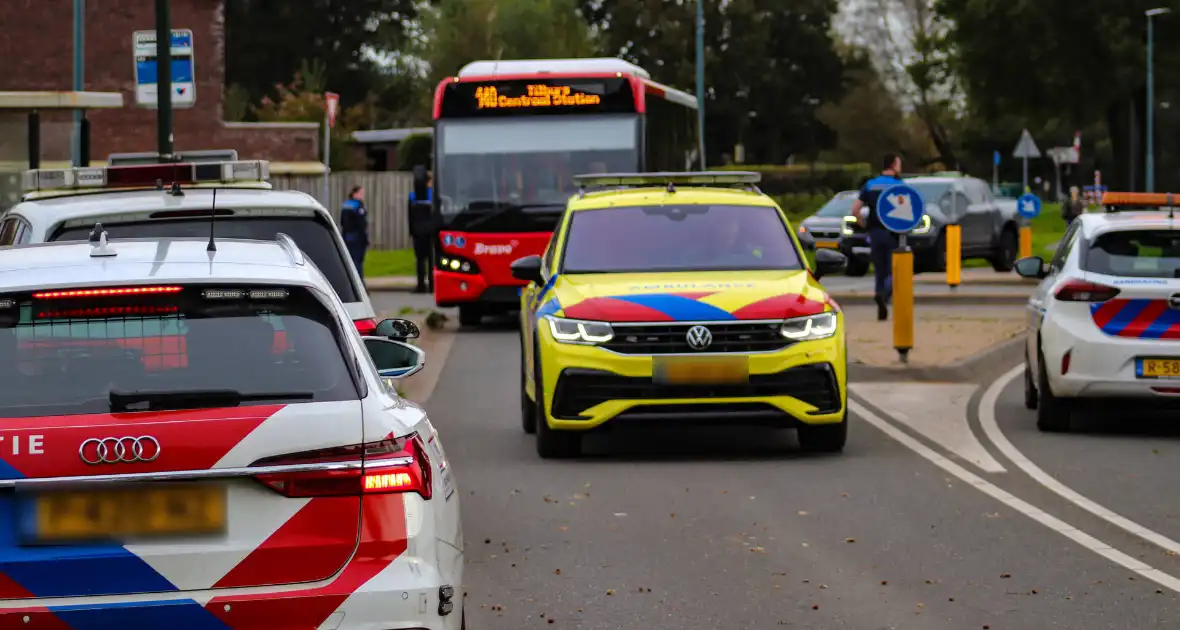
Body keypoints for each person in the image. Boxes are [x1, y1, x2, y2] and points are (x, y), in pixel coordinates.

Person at [851, 154, 905, 321]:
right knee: (894, 271)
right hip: (892, 233)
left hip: (874, 232)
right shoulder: (899, 186)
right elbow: (906, 211)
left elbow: (855, 210)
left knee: (879, 271)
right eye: (899, 164)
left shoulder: (870, 185)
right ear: (894, 165)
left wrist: (865, 225)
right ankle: (884, 295)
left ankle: (879, 301)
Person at [407, 168, 435, 293]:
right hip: (430, 232)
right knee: (431, 259)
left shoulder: (413, 196)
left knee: (420, 260)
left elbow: (409, 216)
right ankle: (433, 285)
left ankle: (421, 285)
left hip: (418, 232)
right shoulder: (432, 195)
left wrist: (411, 231)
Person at [340, 186, 369, 281]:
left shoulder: (345, 205)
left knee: (350, 262)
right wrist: (365, 239)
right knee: (358, 262)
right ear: (355, 194)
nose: (363, 195)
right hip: (357, 237)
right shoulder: (358, 206)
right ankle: (360, 284)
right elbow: (361, 224)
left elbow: (342, 222)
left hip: (347, 236)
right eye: (361, 193)